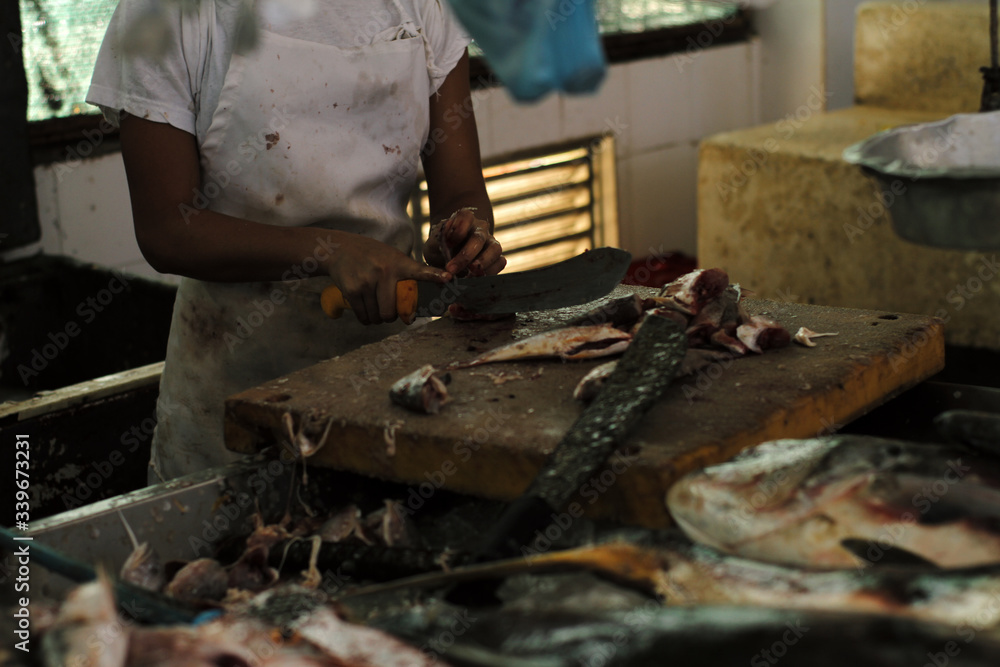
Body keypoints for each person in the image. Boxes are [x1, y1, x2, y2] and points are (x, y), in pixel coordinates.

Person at [87, 0, 505, 482]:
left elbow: (461, 191)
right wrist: (329, 251)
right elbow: (165, 230)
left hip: (387, 374)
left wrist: (463, 231)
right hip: (234, 382)